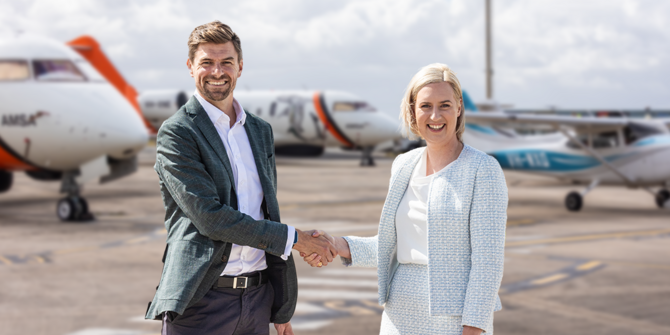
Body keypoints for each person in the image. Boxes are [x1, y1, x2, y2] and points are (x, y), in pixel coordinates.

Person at [145, 21, 337, 335]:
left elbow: (266, 213)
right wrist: (299, 239)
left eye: (226, 62)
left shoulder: (260, 131)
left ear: (240, 67)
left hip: (259, 300)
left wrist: (280, 307)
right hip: (203, 301)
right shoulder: (178, 132)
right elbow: (212, 219)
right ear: (191, 67)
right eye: (206, 62)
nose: (217, 71)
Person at [303, 63, 508, 334]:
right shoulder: (403, 164)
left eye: (445, 105)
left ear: (459, 108)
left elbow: (487, 263)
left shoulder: (483, 169)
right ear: (412, 110)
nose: (435, 115)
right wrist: (337, 244)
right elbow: (391, 246)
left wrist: (473, 327)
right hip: (400, 314)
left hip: (454, 320)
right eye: (425, 106)